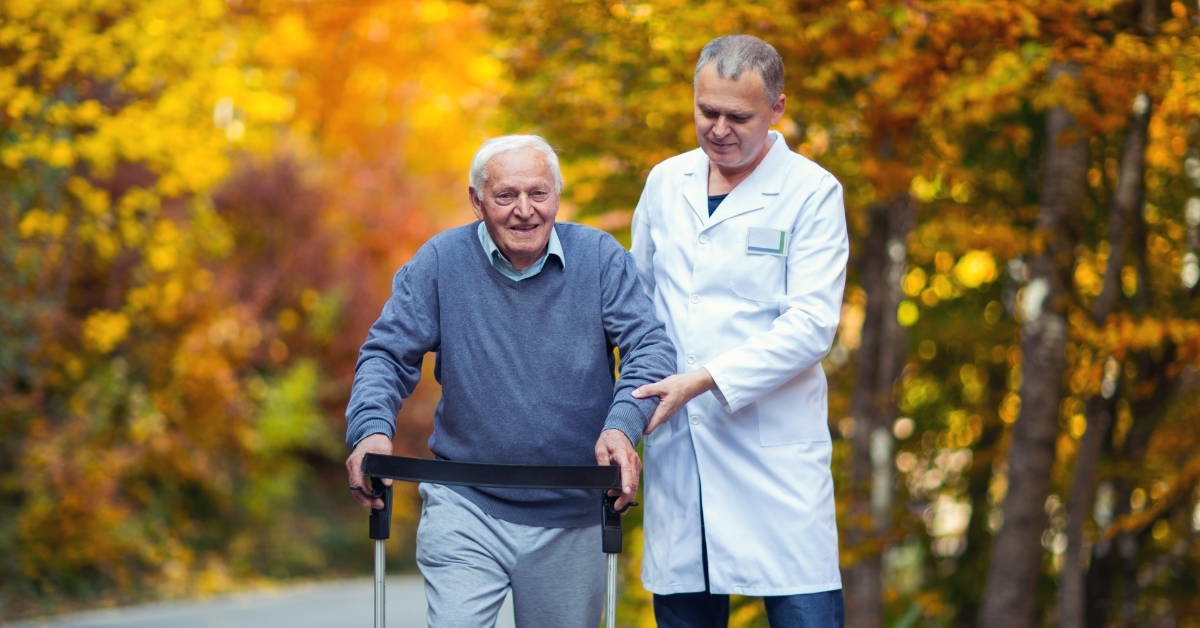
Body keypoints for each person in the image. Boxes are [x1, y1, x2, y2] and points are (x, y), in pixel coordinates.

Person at [344, 135, 676, 628]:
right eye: (505, 196)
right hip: (465, 504)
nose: (524, 210)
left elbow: (650, 347)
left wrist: (622, 426)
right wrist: (370, 429)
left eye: (538, 193)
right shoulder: (441, 261)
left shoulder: (600, 258)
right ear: (477, 201)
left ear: (556, 195)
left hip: (573, 510)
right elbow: (386, 355)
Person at [630, 35, 848, 627]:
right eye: (707, 111)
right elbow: (635, 304)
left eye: (738, 117)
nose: (719, 129)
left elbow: (811, 326)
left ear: (777, 108)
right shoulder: (665, 182)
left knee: (803, 611)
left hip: (773, 459)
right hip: (682, 450)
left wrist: (702, 380)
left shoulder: (812, 192)